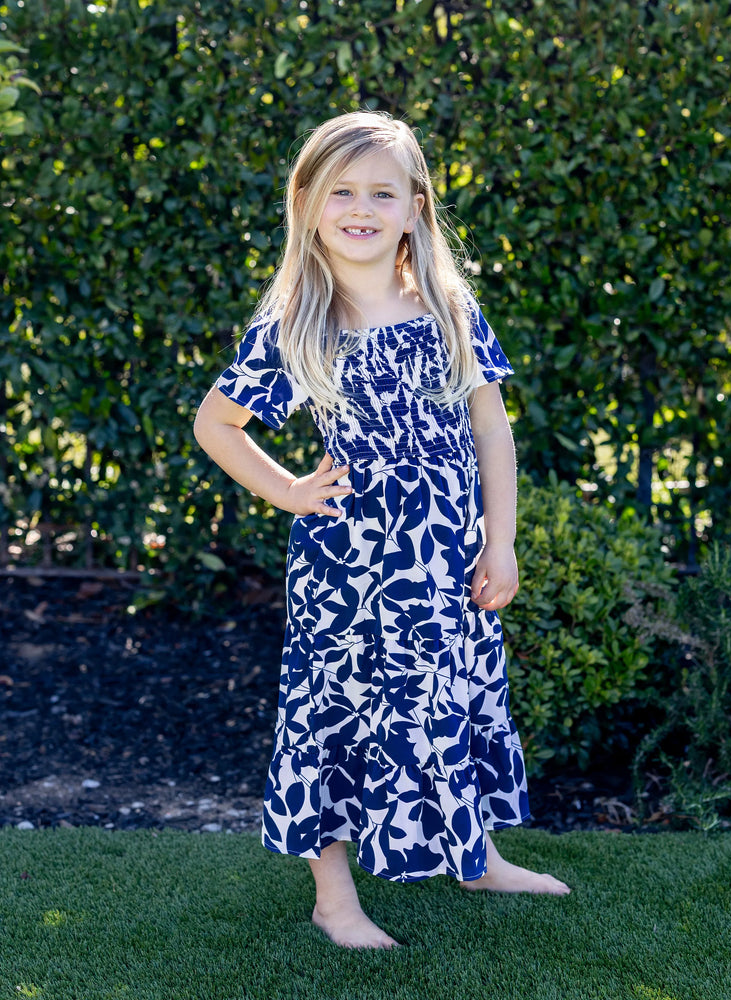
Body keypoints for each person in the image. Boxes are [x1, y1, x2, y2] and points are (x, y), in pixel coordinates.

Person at [194, 110, 570, 949]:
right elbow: (215, 424)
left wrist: (500, 539)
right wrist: (289, 490)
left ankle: (476, 858)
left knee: (449, 695)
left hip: (445, 560)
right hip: (349, 570)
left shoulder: (447, 306)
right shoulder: (300, 321)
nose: (360, 208)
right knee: (336, 712)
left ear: (414, 209)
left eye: (381, 193)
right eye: (341, 192)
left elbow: (491, 429)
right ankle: (334, 901)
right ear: (307, 201)